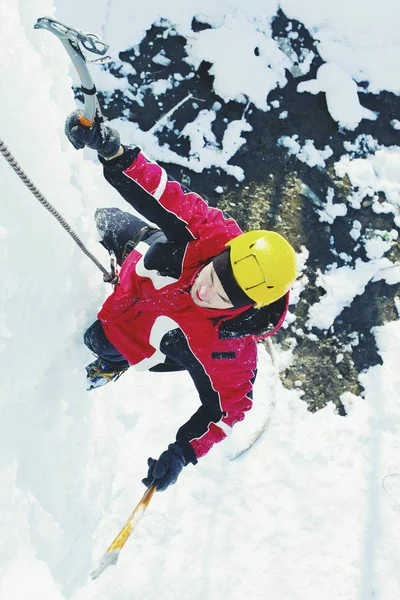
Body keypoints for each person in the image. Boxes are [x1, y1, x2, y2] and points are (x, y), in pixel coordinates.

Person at [65, 110, 297, 492]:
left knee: (98, 341)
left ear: (247, 306)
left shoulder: (229, 351)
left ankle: (112, 362)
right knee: (100, 220)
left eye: (221, 297)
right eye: (211, 276)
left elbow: (228, 410)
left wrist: (182, 451)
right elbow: (165, 195)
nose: (205, 291)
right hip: (146, 263)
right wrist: (115, 154)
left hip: (140, 331)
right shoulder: (214, 234)